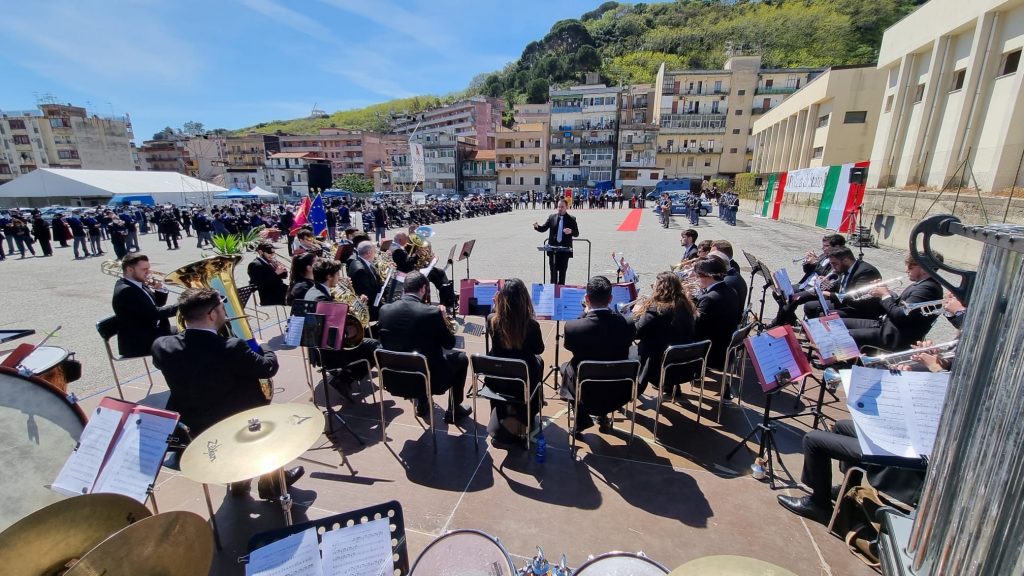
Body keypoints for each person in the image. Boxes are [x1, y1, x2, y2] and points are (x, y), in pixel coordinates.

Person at [151, 287, 302, 500]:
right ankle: (272, 483)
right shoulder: (231, 347)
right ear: (212, 314)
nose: (225, 311)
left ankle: (239, 479)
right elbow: (268, 367)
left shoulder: (162, 346)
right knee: (268, 417)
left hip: (191, 426)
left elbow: (176, 359)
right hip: (232, 425)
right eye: (222, 307)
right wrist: (264, 345)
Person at [377, 271, 471, 423]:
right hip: (430, 381)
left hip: (394, 380)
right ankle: (454, 410)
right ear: (422, 289)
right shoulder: (431, 313)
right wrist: (443, 319)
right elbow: (449, 343)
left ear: (404, 289)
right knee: (460, 358)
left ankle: (422, 403)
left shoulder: (385, 310)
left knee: (413, 352)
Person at [560, 276, 636, 436]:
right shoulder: (627, 324)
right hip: (618, 392)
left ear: (586, 299)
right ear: (610, 299)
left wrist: (584, 315)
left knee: (566, 368)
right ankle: (603, 416)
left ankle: (581, 418)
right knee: (606, 363)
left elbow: (569, 346)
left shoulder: (574, 327)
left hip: (587, 393)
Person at [301, 259, 379, 391]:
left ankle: (348, 374)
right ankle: (344, 378)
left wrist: (355, 301)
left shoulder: (315, 290)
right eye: (337, 274)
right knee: (374, 346)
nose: (339, 277)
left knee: (376, 330)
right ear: (329, 277)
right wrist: (354, 309)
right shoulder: (321, 299)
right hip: (329, 350)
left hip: (324, 343)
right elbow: (339, 331)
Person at [843, 254, 945, 351]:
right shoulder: (923, 284)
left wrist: (885, 295)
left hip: (893, 335)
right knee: (838, 323)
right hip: (885, 325)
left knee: (842, 336)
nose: (906, 270)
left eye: (910, 267)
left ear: (924, 268)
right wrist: (884, 292)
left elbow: (901, 316)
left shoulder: (927, 289)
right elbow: (900, 305)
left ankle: (846, 365)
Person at [485, 278, 545, 445]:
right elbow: (539, 349)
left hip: (499, 380)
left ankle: (501, 412)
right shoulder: (531, 325)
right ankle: (531, 409)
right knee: (539, 362)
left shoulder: (492, 320)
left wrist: (495, 308)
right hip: (522, 380)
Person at [630, 272, 697, 396]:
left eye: (654, 285)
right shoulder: (686, 305)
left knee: (629, 351)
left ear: (660, 288)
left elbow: (636, 332)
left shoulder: (656, 310)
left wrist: (636, 313)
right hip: (684, 363)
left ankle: (633, 389)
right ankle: (669, 386)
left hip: (659, 365)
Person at [111, 254, 178, 358]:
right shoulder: (126, 290)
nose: (149, 272)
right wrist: (185, 305)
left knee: (191, 330)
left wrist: (159, 290)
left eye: (148, 268)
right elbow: (155, 313)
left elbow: (156, 304)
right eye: (144, 269)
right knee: (188, 338)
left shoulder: (137, 283)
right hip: (140, 341)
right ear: (129, 269)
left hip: (152, 331)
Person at [692, 257, 742, 376]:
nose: (696, 279)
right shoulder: (731, 290)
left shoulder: (709, 299)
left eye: (698, 276)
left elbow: (694, 325)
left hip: (712, 352)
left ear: (709, 276)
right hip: (726, 347)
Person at [807, 247, 883, 320]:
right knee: (809, 307)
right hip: (846, 303)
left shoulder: (866, 272)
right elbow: (842, 286)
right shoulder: (845, 267)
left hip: (860, 310)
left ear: (846, 260)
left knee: (823, 315)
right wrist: (824, 285)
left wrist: (830, 295)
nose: (833, 267)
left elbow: (857, 298)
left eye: (834, 263)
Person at [392, 232, 456, 312]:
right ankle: (428, 303)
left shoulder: (401, 247)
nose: (408, 240)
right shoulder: (398, 250)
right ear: (400, 240)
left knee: (440, 273)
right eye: (406, 239)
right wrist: (417, 255)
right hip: (408, 273)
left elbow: (410, 260)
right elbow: (407, 263)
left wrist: (428, 259)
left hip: (416, 269)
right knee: (426, 280)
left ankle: (447, 300)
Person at [533, 199, 579, 285]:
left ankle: (560, 292)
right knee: (553, 273)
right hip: (553, 251)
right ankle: (552, 292)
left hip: (565, 251)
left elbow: (577, 233)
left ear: (567, 207)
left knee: (562, 273)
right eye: (559, 207)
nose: (560, 209)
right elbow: (543, 228)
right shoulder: (551, 217)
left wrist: (571, 231)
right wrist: (536, 226)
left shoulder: (572, 219)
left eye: (562, 207)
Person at [347, 241, 384, 321]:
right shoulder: (361, 270)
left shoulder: (358, 260)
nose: (375, 254)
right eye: (375, 251)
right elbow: (368, 293)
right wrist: (384, 288)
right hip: (370, 307)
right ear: (368, 253)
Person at [247, 241, 288, 307]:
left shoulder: (271, 261)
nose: (272, 255)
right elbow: (260, 283)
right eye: (269, 253)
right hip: (269, 295)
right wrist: (276, 273)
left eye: (273, 252)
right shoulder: (254, 265)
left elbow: (282, 277)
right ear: (260, 252)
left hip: (280, 290)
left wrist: (283, 271)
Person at [285, 252, 317, 317]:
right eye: (317, 263)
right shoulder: (303, 287)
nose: (321, 265)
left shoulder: (308, 283)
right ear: (309, 268)